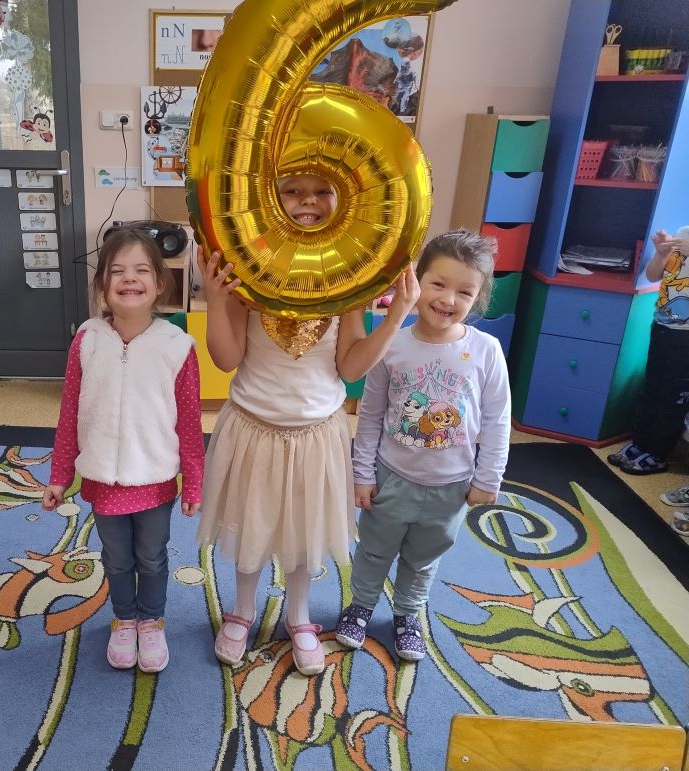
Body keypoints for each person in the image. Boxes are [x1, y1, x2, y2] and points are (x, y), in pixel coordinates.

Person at [196, 173, 421, 676]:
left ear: (341, 200)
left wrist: (396, 317)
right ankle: (243, 610)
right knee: (252, 525)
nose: (308, 201)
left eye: (321, 191)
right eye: (292, 190)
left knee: (303, 532)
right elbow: (226, 358)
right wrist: (216, 297)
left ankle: (298, 616)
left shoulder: (348, 278)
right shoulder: (251, 268)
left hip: (317, 434)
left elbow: (350, 366)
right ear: (270, 200)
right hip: (253, 428)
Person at [336, 229, 511, 661]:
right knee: (374, 550)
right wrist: (362, 474)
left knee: (424, 558)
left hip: (452, 486)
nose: (449, 299)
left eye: (464, 292)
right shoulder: (391, 344)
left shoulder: (486, 350)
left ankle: (408, 614)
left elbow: (497, 420)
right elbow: (370, 414)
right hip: (391, 478)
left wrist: (488, 479)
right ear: (415, 281)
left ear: (478, 298)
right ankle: (360, 606)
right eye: (438, 284)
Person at [42, 228, 205, 674]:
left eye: (141, 271)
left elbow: (189, 422)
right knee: (115, 558)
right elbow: (70, 414)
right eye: (117, 271)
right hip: (103, 479)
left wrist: (194, 482)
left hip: (154, 479)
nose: (129, 279)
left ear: (160, 283)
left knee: (151, 556)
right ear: (101, 285)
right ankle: (124, 618)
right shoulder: (88, 340)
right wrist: (59, 476)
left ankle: (151, 620)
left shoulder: (176, 347)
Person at [608, 227, 689, 475]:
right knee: (651, 388)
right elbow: (653, 276)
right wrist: (661, 253)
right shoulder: (683, 233)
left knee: (672, 397)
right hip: (663, 326)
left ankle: (658, 454)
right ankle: (641, 443)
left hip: (685, 336)